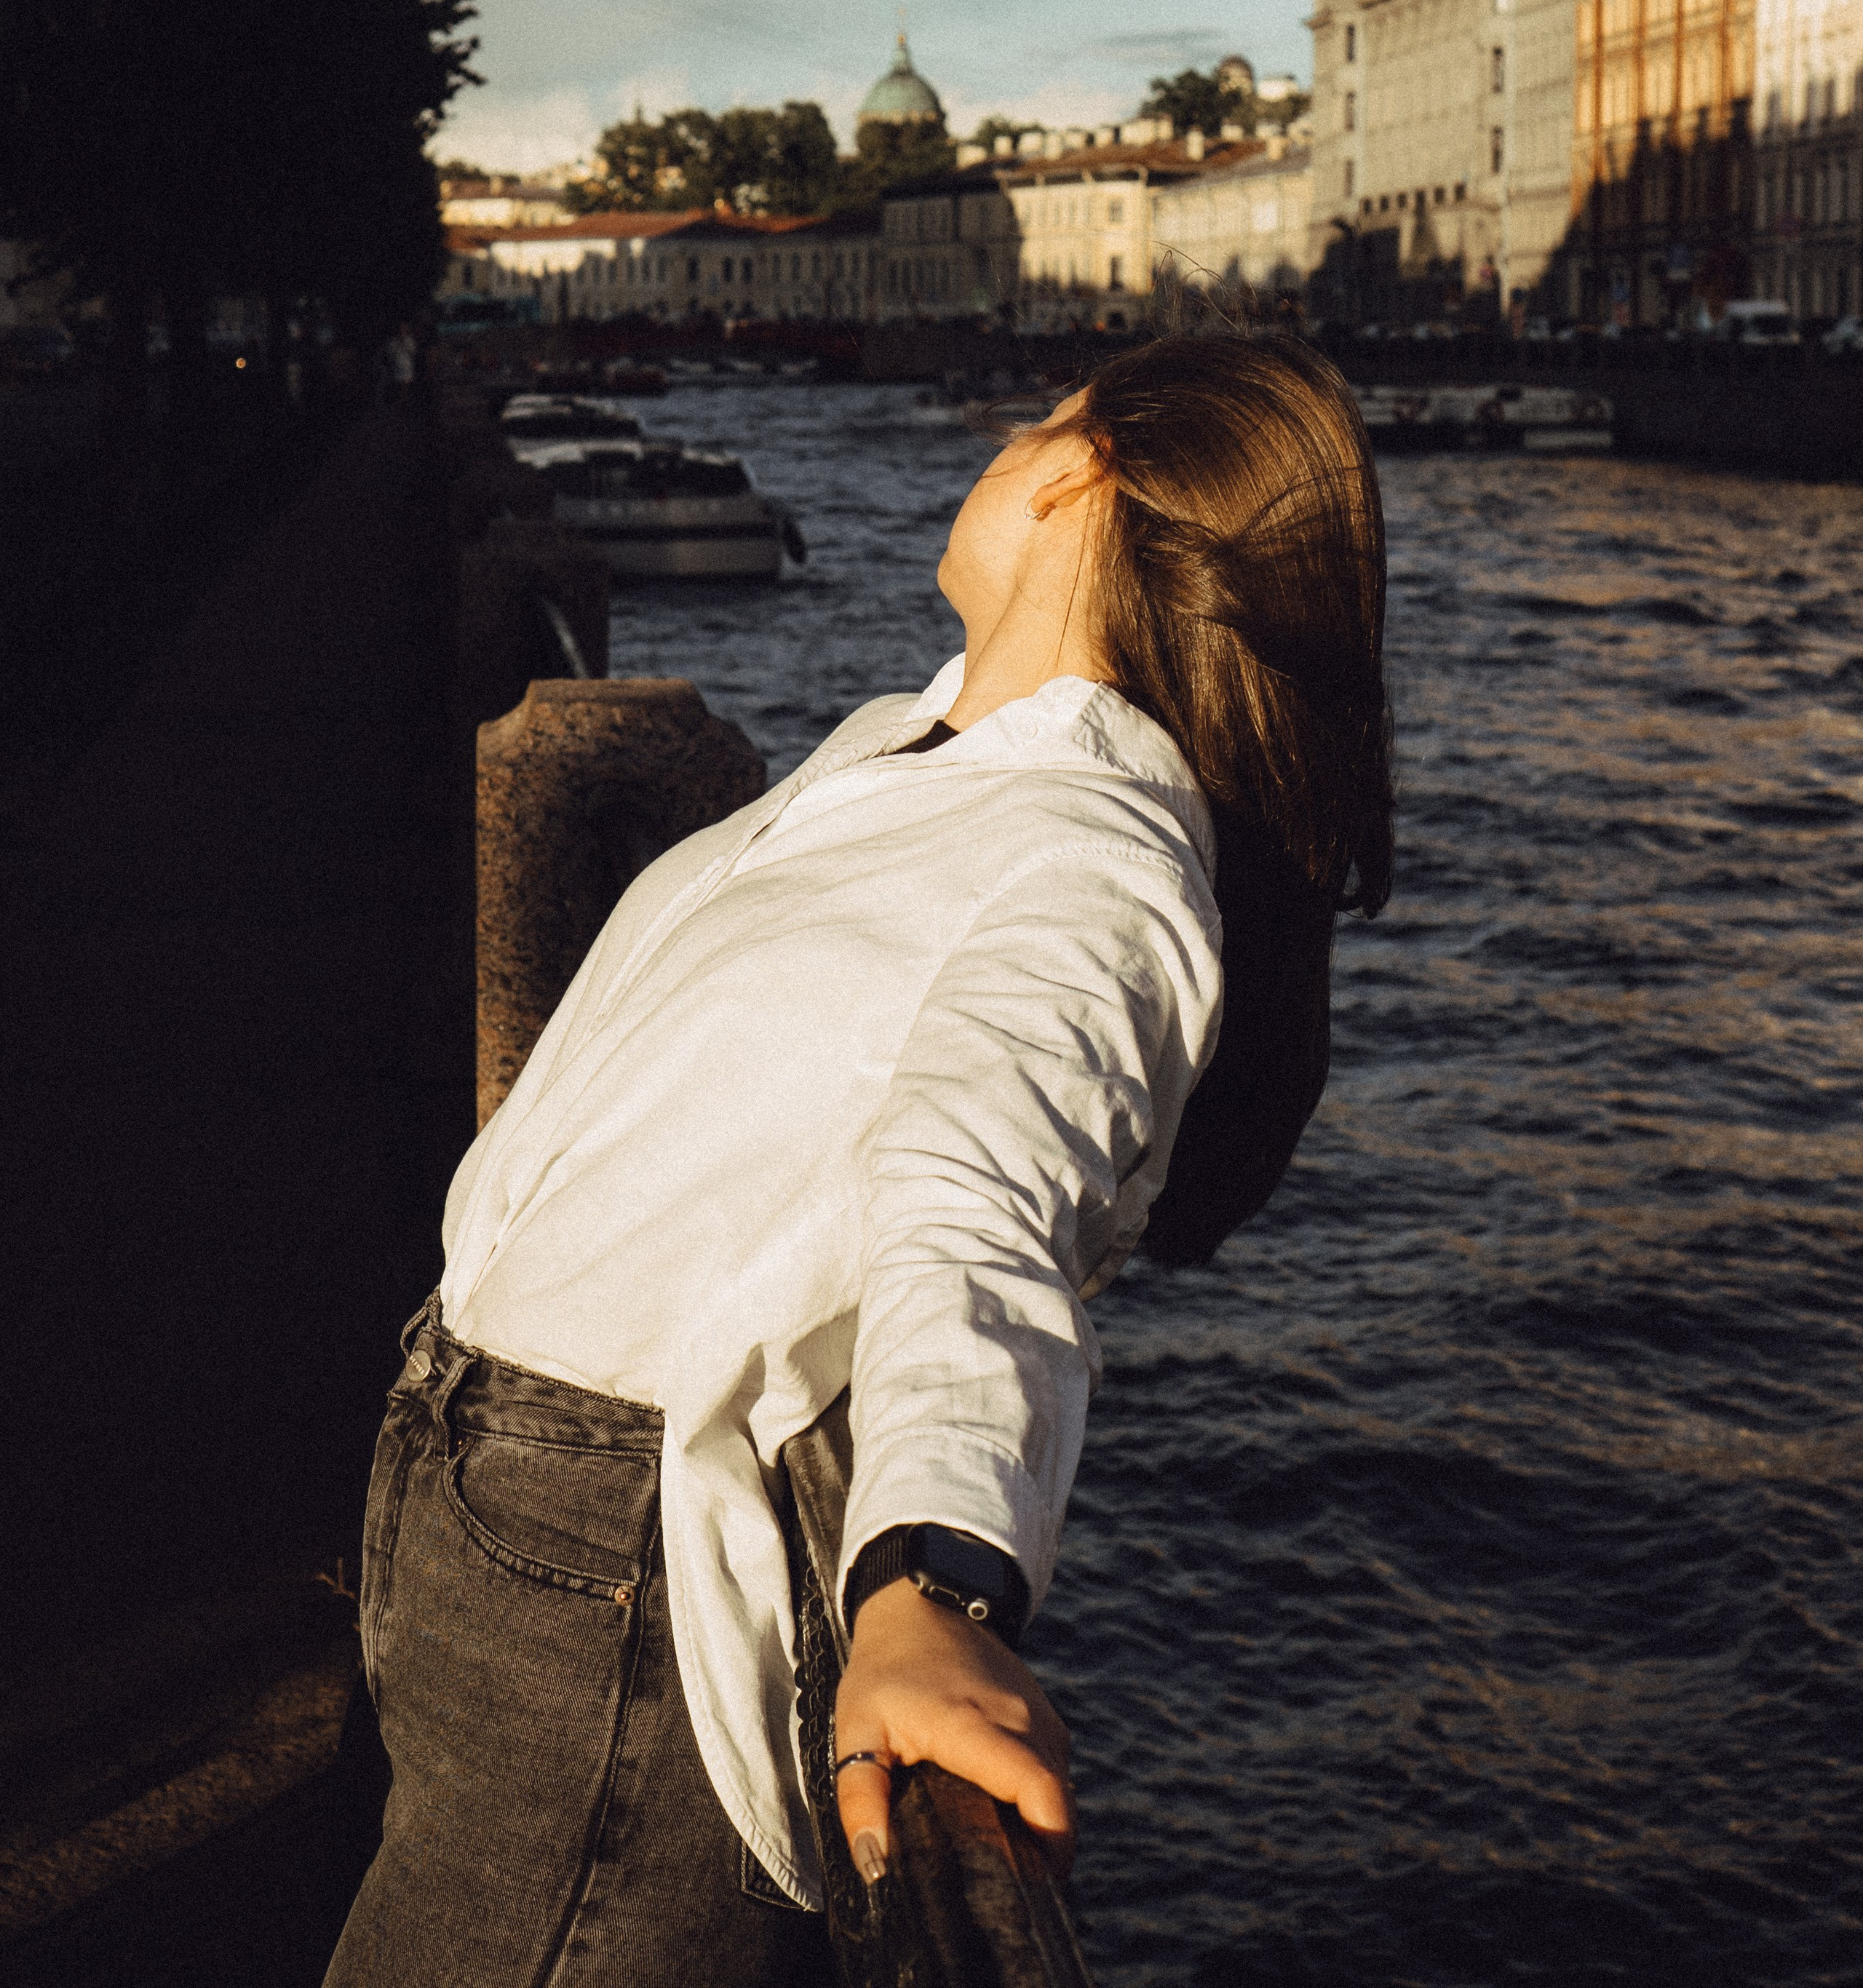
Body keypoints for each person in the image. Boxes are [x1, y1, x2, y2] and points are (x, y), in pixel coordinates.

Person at [325, 329, 1393, 1987]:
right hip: (491, 1488)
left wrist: (931, 1585)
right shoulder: (921, 743)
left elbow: (981, 1206)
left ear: (1084, 473)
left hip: (605, 1566)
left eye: (1034, 420)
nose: (1002, 446)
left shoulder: (1100, 862)